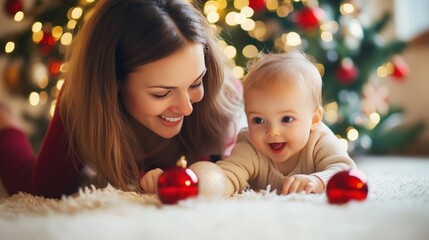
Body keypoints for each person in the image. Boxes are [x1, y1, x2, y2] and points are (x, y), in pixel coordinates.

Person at [0, 0, 243, 199]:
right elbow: (43, 192)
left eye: (195, 82)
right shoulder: (83, 98)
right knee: (40, 189)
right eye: (161, 93)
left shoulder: (222, 100)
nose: (186, 107)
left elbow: (205, 182)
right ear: (113, 81)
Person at [216, 50, 357, 196]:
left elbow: (345, 170)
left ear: (314, 120)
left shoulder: (319, 140)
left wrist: (317, 181)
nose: (272, 131)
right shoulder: (250, 146)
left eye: (286, 119)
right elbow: (229, 173)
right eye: (258, 120)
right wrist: (213, 184)